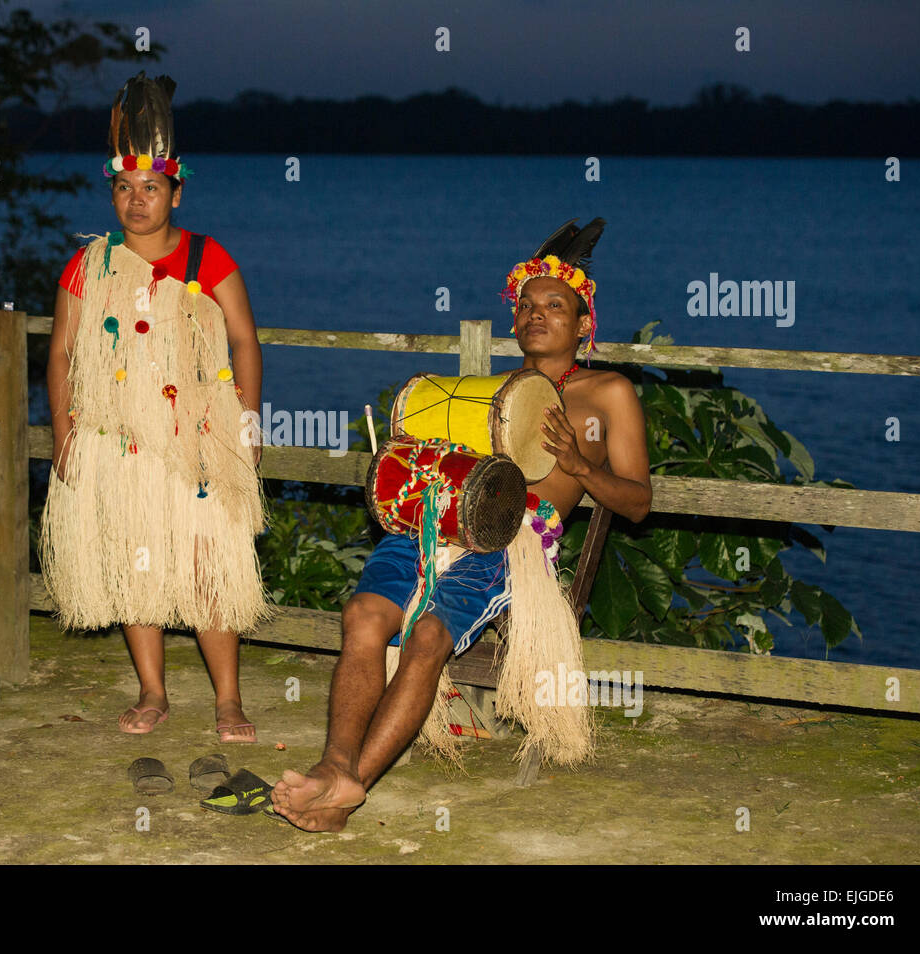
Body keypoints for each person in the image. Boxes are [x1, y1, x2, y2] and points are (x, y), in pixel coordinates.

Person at [272, 218, 652, 830]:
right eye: (527, 304)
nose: (536, 315)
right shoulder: (488, 391)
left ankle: (352, 786)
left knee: (426, 638)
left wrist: (580, 464)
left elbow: (637, 502)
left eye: (555, 306)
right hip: (437, 523)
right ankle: (333, 766)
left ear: (584, 324)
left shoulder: (608, 394)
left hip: (515, 545)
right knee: (363, 617)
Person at [38, 73, 267, 743]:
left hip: (198, 439)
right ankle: (153, 691)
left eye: (150, 190)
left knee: (208, 567)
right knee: (135, 560)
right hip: (117, 440)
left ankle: (228, 699)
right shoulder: (90, 263)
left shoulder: (206, 256)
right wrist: (64, 429)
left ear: (175, 192)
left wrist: (248, 422)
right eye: (124, 189)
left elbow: (247, 342)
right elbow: (60, 355)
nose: (136, 203)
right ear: (113, 193)